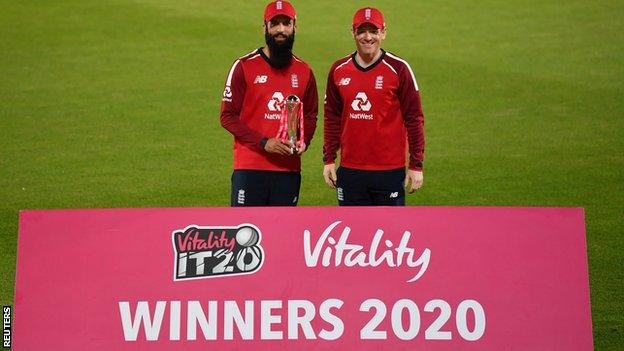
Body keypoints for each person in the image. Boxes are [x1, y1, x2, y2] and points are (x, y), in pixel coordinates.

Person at [323, 6, 425, 206]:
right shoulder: (338, 70)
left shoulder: (399, 69)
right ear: (352, 32)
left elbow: (414, 118)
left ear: (384, 33)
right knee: (351, 233)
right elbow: (332, 117)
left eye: (374, 31)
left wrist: (416, 165)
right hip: (351, 170)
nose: (367, 37)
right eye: (361, 31)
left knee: (391, 234)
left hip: (389, 171)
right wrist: (328, 159)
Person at [220, 1, 318, 206]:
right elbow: (227, 117)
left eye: (286, 23)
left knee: (283, 233)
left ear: (295, 27)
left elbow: (310, 115)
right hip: (249, 168)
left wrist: (304, 140)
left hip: (288, 170)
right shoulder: (244, 66)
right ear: (264, 27)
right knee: (246, 232)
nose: (280, 30)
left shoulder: (304, 71)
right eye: (274, 24)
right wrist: (264, 143)